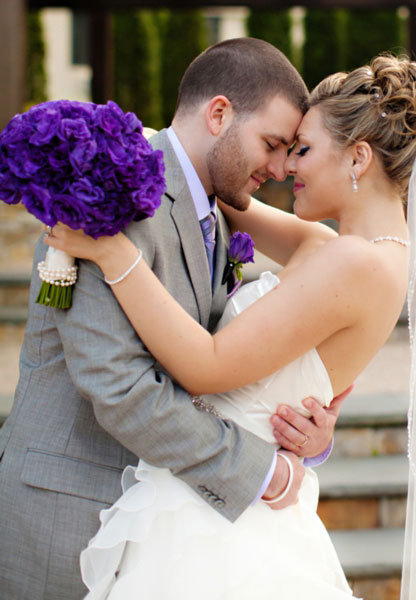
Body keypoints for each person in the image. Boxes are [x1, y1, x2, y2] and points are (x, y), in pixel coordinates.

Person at [46, 53, 416, 600]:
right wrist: (117, 146)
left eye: (301, 148)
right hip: (228, 491)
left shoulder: (353, 263)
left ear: (358, 158)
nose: (286, 168)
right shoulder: (355, 251)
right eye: (281, 148)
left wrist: (117, 258)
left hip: (219, 518)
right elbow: (222, 194)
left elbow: (207, 367)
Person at [0, 38, 346, 600]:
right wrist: (261, 471)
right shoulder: (105, 189)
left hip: (164, 523)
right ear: (219, 114)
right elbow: (120, 387)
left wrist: (303, 429)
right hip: (69, 514)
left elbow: (222, 359)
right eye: (273, 144)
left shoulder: (219, 206)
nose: (282, 168)